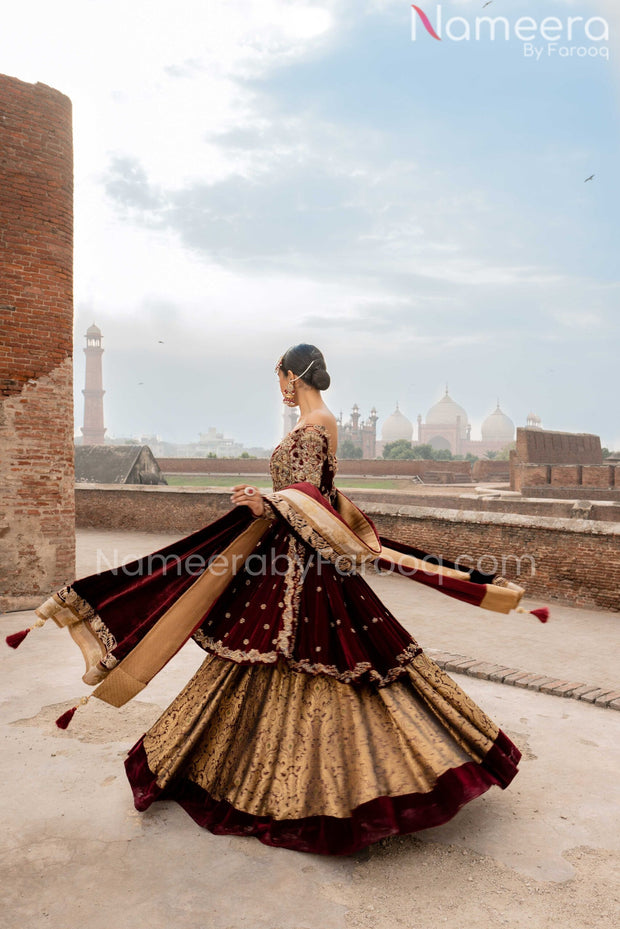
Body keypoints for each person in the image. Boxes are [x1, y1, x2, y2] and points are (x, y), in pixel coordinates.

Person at [7, 343, 546, 856]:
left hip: (304, 566)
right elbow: (304, 500)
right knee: (264, 659)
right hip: (286, 557)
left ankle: (346, 794)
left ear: (293, 375)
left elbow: (313, 498)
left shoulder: (319, 425)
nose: (281, 389)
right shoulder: (306, 427)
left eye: (281, 379)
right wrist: (263, 502)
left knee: (334, 663)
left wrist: (270, 500)